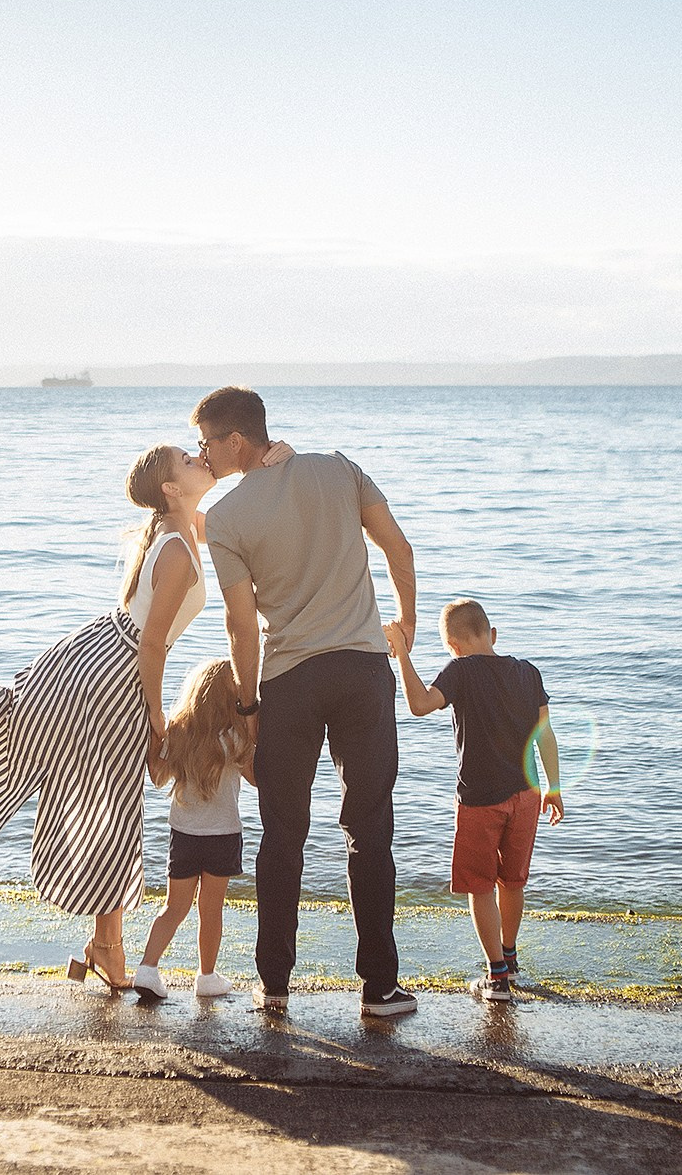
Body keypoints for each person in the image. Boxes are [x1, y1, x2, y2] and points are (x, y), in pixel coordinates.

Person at [0, 439, 287, 989]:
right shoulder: (177, 549)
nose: (199, 458)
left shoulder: (177, 530)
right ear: (171, 488)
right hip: (122, 670)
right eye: (187, 459)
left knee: (18, 712)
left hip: (90, 649)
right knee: (114, 813)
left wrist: (275, 461)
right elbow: (154, 646)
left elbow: (240, 520)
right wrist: (155, 715)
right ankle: (109, 948)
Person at [193, 386, 422, 1018]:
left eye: (207, 442)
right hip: (362, 669)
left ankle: (275, 986)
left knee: (283, 834)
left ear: (236, 441)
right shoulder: (339, 469)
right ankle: (378, 989)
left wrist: (246, 704)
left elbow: (241, 627)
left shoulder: (228, 519)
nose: (203, 454)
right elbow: (398, 549)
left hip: (289, 679)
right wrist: (405, 625)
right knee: (370, 828)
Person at [386, 598, 563, 1003]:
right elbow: (546, 736)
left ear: (454, 646)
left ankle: (496, 976)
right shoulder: (528, 672)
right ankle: (511, 959)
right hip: (526, 795)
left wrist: (402, 655)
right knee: (512, 881)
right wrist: (554, 787)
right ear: (492, 633)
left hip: (480, 800)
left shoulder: (460, 671)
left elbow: (418, 705)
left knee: (480, 886)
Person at [130, 659, 256, 1003]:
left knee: (174, 907)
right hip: (223, 834)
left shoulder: (179, 733)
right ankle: (206, 976)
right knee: (210, 909)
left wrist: (156, 738)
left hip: (183, 834)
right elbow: (257, 779)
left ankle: (147, 968)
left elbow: (157, 777)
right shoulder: (234, 737)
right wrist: (254, 726)